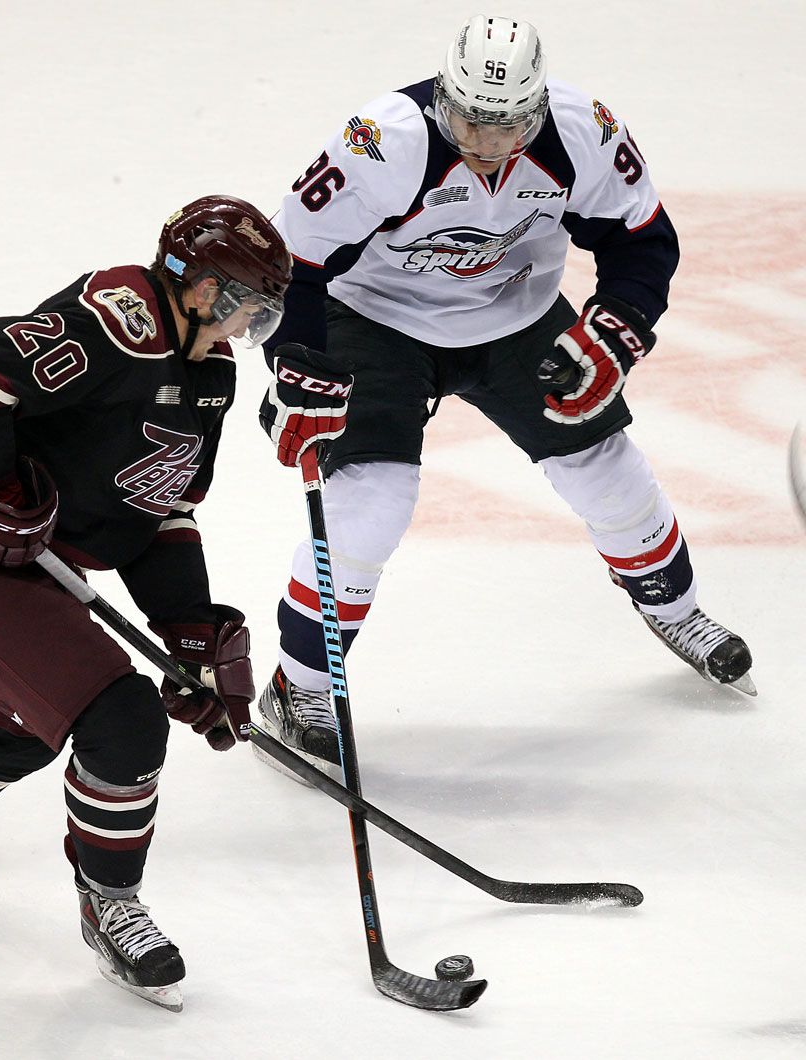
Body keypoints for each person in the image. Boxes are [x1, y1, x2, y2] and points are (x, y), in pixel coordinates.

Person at [256, 14, 754, 774]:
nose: (485, 142)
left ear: (539, 106)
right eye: (466, 120)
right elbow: (294, 258)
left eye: (506, 125)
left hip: (514, 312)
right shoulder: (380, 141)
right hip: (375, 319)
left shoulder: (584, 131)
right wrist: (298, 361)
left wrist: (619, 325)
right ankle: (302, 684)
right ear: (441, 95)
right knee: (373, 499)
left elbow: (642, 239)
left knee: (604, 463)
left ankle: (676, 610)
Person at [0, 196, 291, 1012]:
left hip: (27, 566)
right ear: (203, 288)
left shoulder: (205, 375)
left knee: (18, 729)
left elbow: (158, 506)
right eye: (248, 304)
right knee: (119, 719)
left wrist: (189, 628)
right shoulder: (123, 318)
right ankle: (110, 902)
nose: (249, 325)